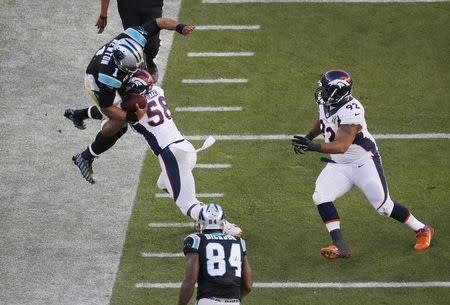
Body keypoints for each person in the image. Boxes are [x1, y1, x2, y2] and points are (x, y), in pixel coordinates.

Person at [291, 69, 434, 259]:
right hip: (339, 164)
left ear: (338, 91)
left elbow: (342, 145)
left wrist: (313, 146)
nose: (322, 93)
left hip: (362, 162)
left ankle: (422, 229)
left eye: (326, 90)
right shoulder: (328, 103)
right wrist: (308, 136)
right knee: (321, 196)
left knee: (384, 207)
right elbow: (322, 120)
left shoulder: (352, 111)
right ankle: (340, 245)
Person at [65, 18, 194, 184]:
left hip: (115, 72)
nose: (134, 71)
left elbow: (157, 22)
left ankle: (79, 115)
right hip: (95, 81)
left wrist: (179, 27)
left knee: (145, 85)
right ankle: (85, 157)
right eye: (130, 69)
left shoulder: (134, 36)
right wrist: (132, 117)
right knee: (119, 124)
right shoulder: (107, 77)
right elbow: (107, 108)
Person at [117, 71, 243, 236]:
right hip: (185, 147)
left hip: (171, 155)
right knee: (163, 183)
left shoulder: (134, 106)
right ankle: (201, 213)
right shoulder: (159, 91)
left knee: (187, 205)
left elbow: (107, 111)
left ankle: (223, 223)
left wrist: (83, 113)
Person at [178, 204, 253, 305]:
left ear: (201, 222)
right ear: (222, 223)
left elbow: (190, 281)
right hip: (233, 301)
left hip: (207, 300)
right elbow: (248, 285)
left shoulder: (196, 240)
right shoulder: (239, 242)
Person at [95, 0, 164, 80]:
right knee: (133, 40)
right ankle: (136, 69)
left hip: (152, 4)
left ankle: (149, 60)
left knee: (152, 46)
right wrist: (103, 15)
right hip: (128, 4)